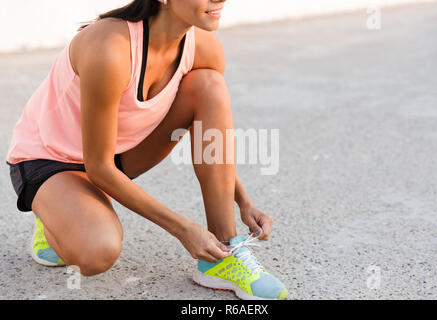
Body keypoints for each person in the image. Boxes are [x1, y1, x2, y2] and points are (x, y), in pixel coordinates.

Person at [5, 0, 288, 300]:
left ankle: (222, 253)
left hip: (118, 153)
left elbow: (208, 136)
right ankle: (53, 215)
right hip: (51, 159)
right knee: (97, 252)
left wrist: (243, 201)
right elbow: (99, 168)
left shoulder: (204, 48)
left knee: (210, 85)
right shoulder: (110, 49)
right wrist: (183, 229)